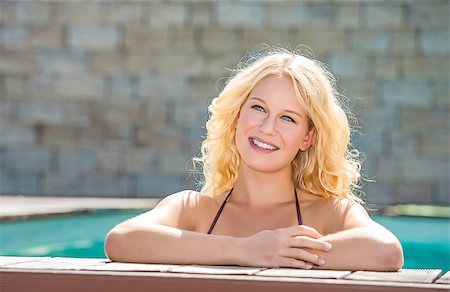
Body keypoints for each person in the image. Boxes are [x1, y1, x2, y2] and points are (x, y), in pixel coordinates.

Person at [104, 48, 404, 271]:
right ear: (237, 116)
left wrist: (279, 252)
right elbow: (121, 240)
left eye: (287, 118)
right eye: (259, 108)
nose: (267, 127)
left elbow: (386, 251)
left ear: (307, 138)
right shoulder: (192, 209)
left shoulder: (331, 212)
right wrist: (246, 250)